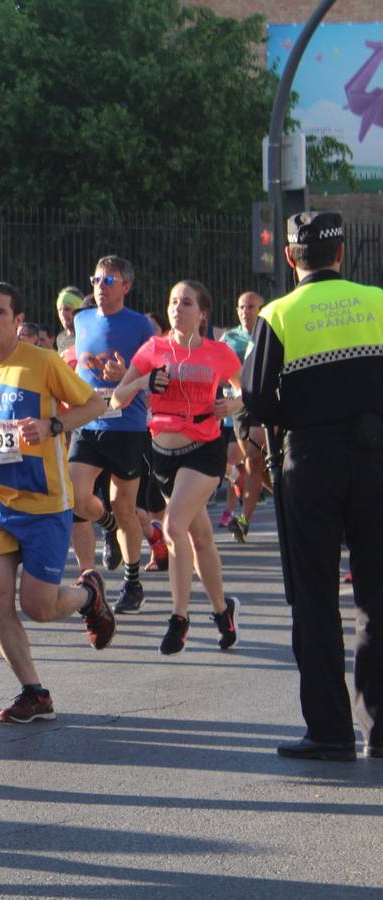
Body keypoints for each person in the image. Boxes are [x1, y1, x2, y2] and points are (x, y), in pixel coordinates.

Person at [0, 281, 114, 723]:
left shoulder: (43, 363)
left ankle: (88, 596)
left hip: (45, 503)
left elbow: (93, 405)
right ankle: (34, 691)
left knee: (39, 606)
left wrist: (52, 425)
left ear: (17, 321)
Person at [243, 211, 383, 762]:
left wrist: (300, 413)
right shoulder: (377, 303)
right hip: (377, 459)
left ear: (289, 256)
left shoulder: (278, 313)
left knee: (315, 595)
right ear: (342, 253)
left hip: (310, 459)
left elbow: (255, 399)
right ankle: (379, 725)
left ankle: (329, 732)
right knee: (376, 596)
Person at [110, 280, 242, 655]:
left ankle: (179, 618)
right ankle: (222, 611)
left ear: (202, 313)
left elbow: (246, 389)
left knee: (172, 526)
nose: (177, 309)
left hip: (204, 449)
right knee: (200, 537)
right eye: (172, 302)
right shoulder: (154, 348)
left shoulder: (218, 352)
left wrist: (232, 405)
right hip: (162, 455)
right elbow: (119, 398)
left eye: (186, 303)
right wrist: (142, 380)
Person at [69, 255, 156, 614]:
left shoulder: (141, 326)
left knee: (125, 508)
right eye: (96, 280)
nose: (100, 288)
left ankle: (132, 583)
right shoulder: (81, 319)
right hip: (88, 423)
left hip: (127, 426)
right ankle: (101, 538)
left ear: (126, 287)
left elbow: (155, 379)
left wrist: (126, 374)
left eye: (109, 281)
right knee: (76, 498)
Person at [220, 291, 267, 543]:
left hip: (259, 403)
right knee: (259, 467)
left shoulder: (267, 333)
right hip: (237, 408)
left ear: (260, 309)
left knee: (252, 460)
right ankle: (287, 498)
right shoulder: (230, 338)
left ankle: (243, 520)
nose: (245, 311)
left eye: (250, 307)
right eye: (241, 307)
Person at [55, 288, 83, 354]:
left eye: (67, 309)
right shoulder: (61, 338)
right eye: (59, 309)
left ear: (79, 310)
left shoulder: (87, 336)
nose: (62, 314)